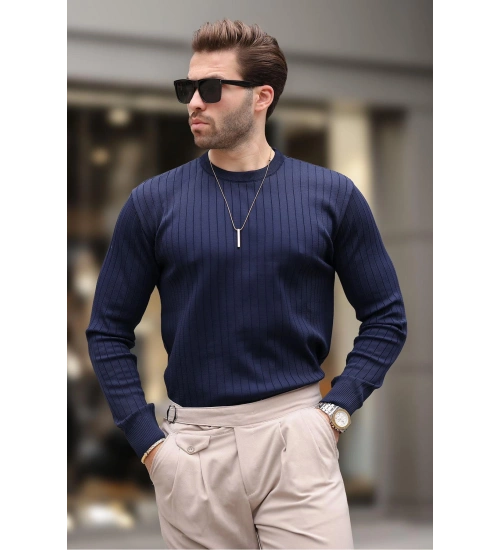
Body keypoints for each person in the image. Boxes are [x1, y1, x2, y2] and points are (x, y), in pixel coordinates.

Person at [86, 18, 407, 549]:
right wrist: (150, 445)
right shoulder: (151, 204)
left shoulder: (332, 196)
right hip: (192, 452)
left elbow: (386, 317)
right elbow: (107, 331)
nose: (194, 102)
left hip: (298, 440)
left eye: (211, 88)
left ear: (262, 97)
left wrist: (336, 410)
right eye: (187, 88)